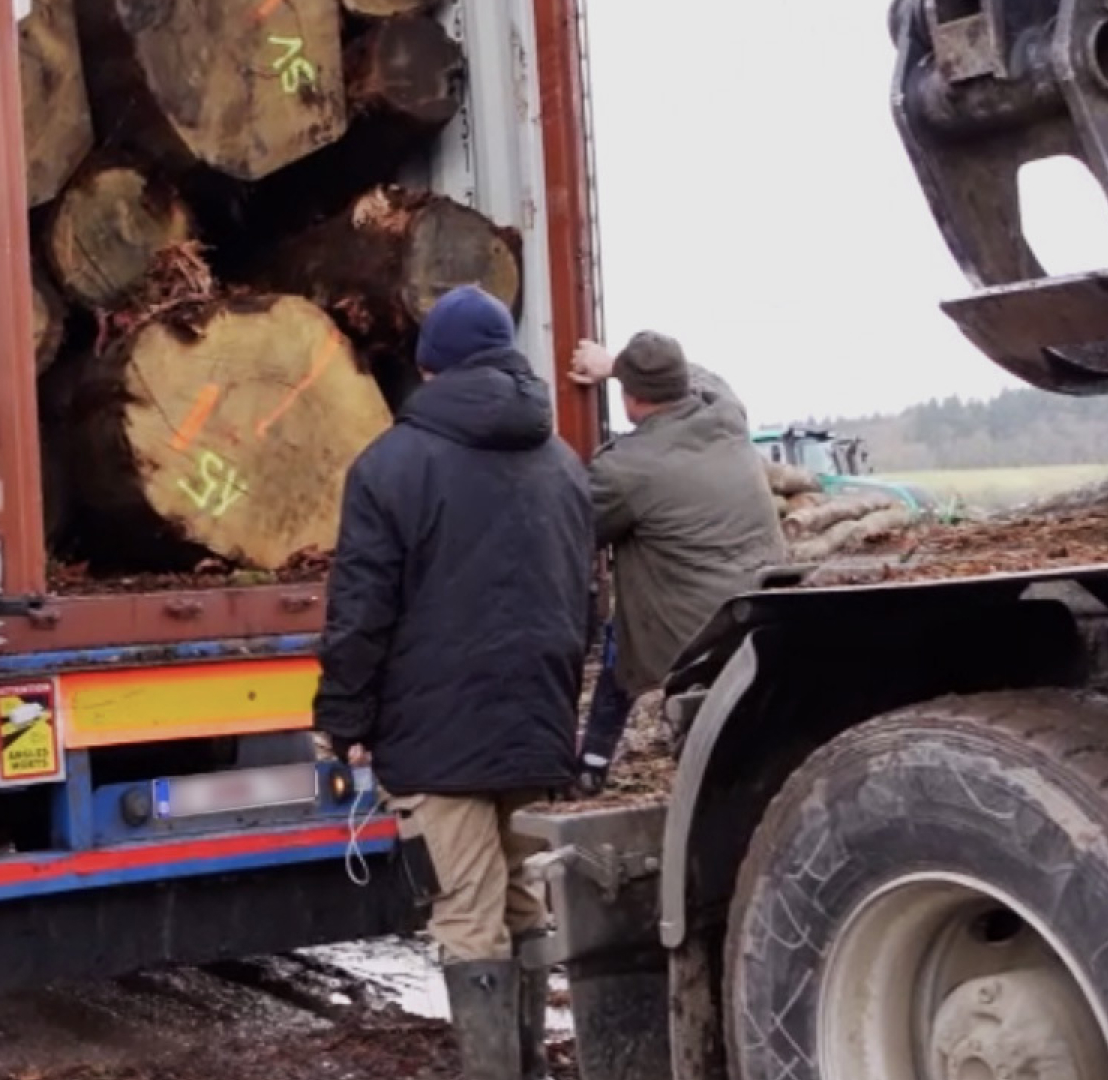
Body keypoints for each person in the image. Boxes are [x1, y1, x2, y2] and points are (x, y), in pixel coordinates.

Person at [314, 285, 594, 1080]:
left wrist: (342, 717)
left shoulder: (390, 465)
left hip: (436, 735)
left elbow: (362, 610)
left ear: (429, 368)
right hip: (537, 720)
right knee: (522, 903)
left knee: (465, 914)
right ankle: (530, 1064)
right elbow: (586, 597)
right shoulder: (562, 462)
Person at [568, 332, 786, 783]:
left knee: (623, 637)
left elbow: (568, 532)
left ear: (629, 400)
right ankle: (592, 765)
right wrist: (615, 367)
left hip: (689, 647)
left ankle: (587, 772)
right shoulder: (726, 413)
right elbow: (706, 378)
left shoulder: (627, 469)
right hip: (759, 622)